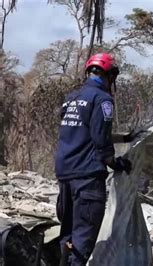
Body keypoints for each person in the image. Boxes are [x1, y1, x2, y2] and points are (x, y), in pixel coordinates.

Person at [55, 53, 133, 265]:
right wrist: (115, 162)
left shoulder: (71, 99)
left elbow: (83, 131)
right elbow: (100, 141)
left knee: (68, 235)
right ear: (109, 75)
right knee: (82, 242)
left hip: (66, 176)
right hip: (87, 178)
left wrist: (124, 137)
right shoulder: (103, 100)